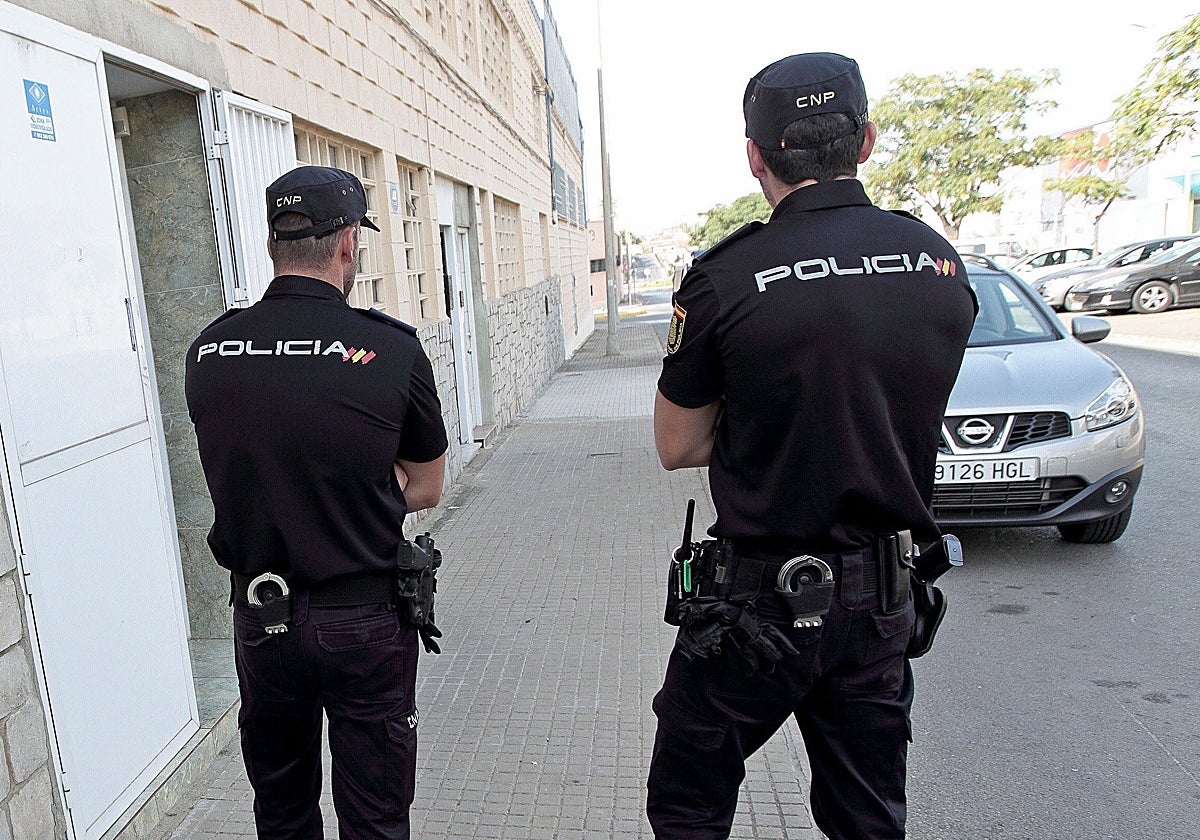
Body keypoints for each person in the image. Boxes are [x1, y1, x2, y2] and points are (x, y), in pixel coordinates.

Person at [646, 53, 978, 839]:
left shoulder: (725, 277)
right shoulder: (935, 261)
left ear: (755, 156)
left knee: (688, 806)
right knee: (868, 820)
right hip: (880, 599)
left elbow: (677, 443)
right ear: (865, 141)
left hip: (755, 604)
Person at [185, 165, 449, 840]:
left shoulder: (209, 350)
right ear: (348, 244)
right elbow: (425, 486)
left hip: (262, 617)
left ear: (274, 244)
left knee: (281, 814)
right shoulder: (390, 350)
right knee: (376, 819)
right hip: (363, 620)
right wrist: (356, 493)